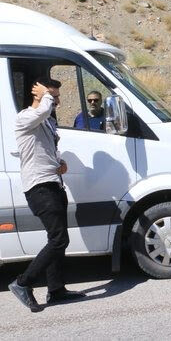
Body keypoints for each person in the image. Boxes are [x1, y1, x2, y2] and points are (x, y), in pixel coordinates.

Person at [8, 78, 86, 312]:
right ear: (40, 95)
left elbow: (45, 149)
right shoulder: (25, 118)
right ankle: (23, 283)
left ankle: (56, 290)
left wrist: (59, 162)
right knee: (59, 239)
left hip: (53, 184)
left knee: (56, 239)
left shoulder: (46, 121)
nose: (58, 101)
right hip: (39, 187)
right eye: (54, 96)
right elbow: (42, 111)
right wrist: (45, 95)